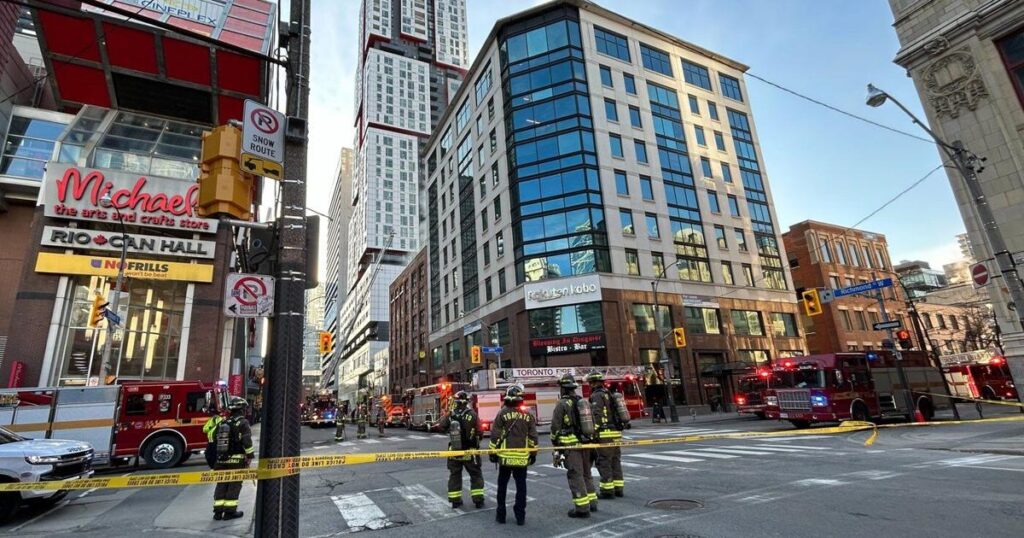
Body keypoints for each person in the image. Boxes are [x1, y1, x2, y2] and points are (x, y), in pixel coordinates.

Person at [489, 385, 537, 526]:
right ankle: (520, 516)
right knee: (521, 487)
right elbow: (533, 437)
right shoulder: (527, 415)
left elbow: (495, 436)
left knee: (502, 486)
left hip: (505, 458)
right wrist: (533, 453)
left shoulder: (502, 413)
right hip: (522, 459)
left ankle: (501, 514)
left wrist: (493, 453)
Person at [551, 373, 596, 518]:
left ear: (563, 389)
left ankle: (582, 508)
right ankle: (592, 503)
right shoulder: (583, 402)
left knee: (576, 476)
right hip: (586, 444)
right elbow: (593, 423)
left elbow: (555, 428)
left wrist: (556, 445)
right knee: (587, 474)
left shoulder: (562, 404)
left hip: (572, 447)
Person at [439, 390, 485, 509]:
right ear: (467, 402)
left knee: (455, 475)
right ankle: (478, 500)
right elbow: (480, 432)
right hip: (470, 450)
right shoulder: (473, 414)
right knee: (475, 474)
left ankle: (455, 501)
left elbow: (441, 426)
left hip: (454, 451)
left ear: (456, 402)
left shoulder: (451, 414)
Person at [213, 397, 254, 520]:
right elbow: (246, 441)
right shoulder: (243, 422)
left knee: (221, 484)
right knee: (234, 485)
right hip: (236, 460)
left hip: (221, 460)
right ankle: (230, 512)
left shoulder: (223, 422)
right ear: (241, 409)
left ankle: (218, 512)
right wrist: (250, 456)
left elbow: (214, 439)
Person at [587, 371, 625, 499]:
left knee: (604, 461)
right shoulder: (609, 394)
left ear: (593, 382)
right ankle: (618, 488)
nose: (589, 385)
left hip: (604, 434)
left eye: (590, 382)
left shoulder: (597, 396)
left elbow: (597, 415)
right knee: (615, 460)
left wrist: (593, 432)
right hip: (615, 432)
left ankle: (607, 490)